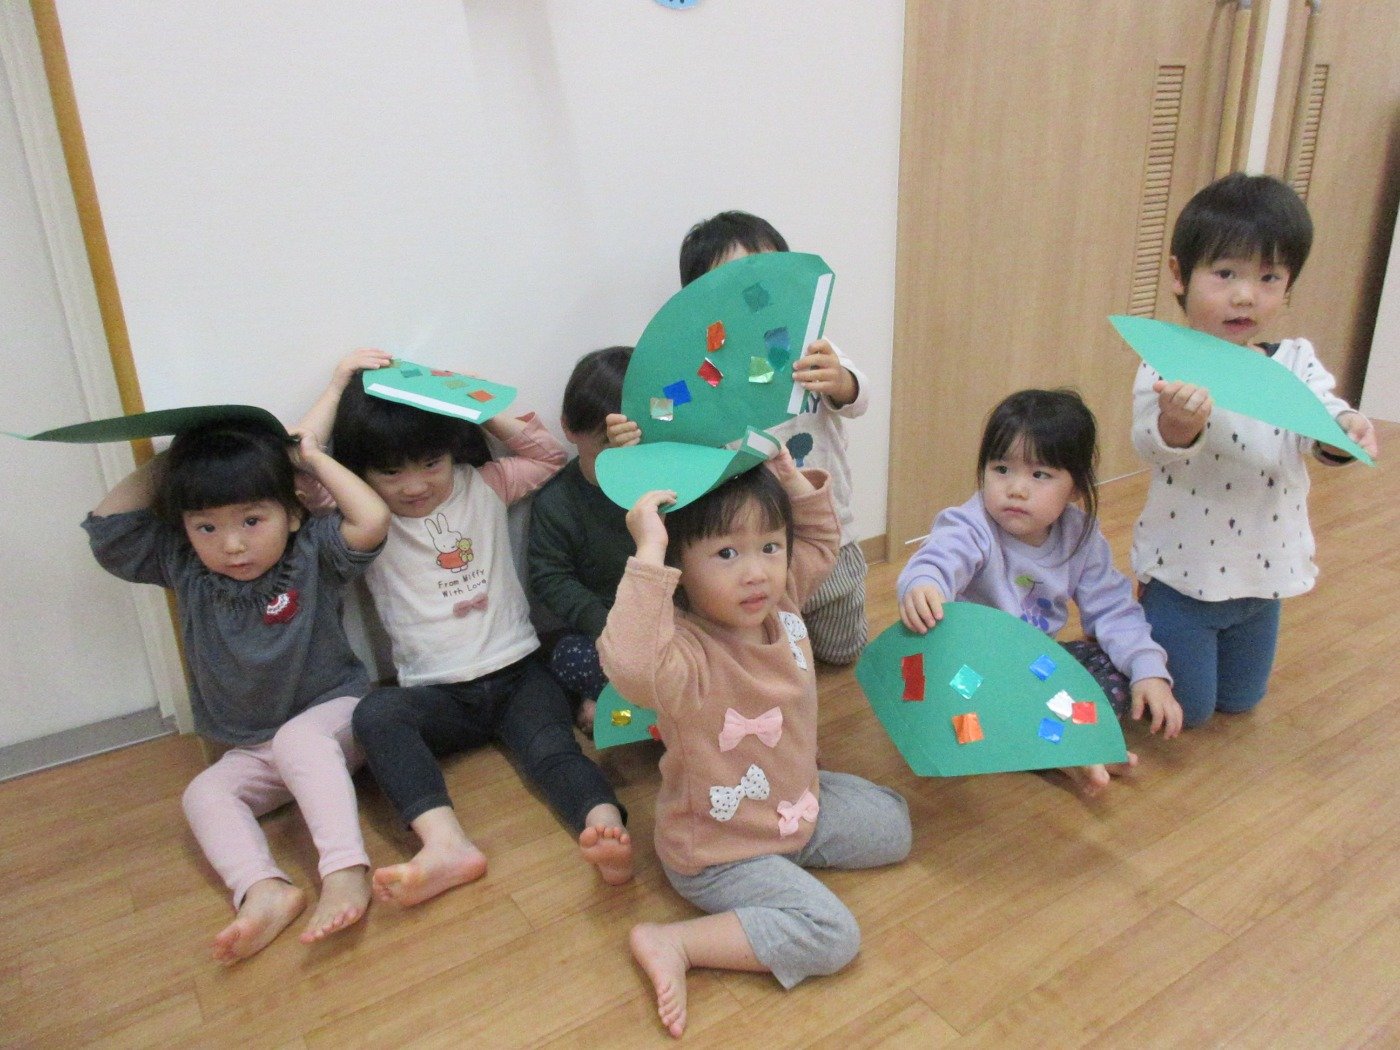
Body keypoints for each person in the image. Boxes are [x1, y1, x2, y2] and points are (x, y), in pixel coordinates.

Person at [300, 349, 632, 909]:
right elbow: (302, 466)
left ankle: (605, 825)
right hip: (435, 694)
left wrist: (468, 399)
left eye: (430, 464)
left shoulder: (484, 484)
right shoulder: (363, 513)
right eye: (391, 472)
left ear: (452, 450)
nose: (414, 486)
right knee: (375, 716)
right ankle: (445, 844)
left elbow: (549, 455)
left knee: (555, 753)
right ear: (364, 473)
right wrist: (336, 388)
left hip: (519, 674)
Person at [600, 449, 911, 1038]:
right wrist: (648, 552)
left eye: (769, 547)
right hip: (719, 851)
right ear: (680, 569)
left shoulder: (783, 601)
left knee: (895, 827)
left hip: (791, 806)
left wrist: (792, 481)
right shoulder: (683, 655)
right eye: (726, 554)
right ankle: (674, 942)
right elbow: (631, 665)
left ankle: (785, 859)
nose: (756, 573)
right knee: (833, 937)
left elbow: (821, 542)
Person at [82, 416, 390, 963]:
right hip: (255, 746)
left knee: (299, 741)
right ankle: (263, 890)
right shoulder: (184, 566)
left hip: (337, 719)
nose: (231, 544)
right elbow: (108, 528)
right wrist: (179, 458)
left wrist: (306, 459)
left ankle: (345, 871)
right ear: (185, 529)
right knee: (204, 793)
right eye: (206, 528)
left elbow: (371, 520)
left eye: (252, 520)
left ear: (291, 514)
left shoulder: (311, 553)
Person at [1131, 172, 1379, 728]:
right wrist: (1178, 424)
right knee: (1190, 714)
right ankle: (1120, 649)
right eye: (1225, 274)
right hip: (1185, 576)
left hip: (1264, 573)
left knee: (1241, 701)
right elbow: (1151, 444)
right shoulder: (1168, 361)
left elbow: (1322, 419)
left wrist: (1344, 428)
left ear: (1288, 287)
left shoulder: (1294, 360)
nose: (1246, 295)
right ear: (1179, 274)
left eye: (1269, 277)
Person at [608, 210, 872, 664]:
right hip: (751, 544)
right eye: (733, 283)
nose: (754, 292)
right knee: (771, 638)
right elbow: (670, 436)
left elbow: (858, 400)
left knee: (842, 647)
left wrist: (842, 380)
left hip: (827, 528)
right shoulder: (698, 370)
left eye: (766, 274)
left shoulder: (811, 346)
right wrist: (634, 436)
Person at [898, 389, 1183, 795]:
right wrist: (924, 583)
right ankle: (1062, 748)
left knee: (1112, 668)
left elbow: (1113, 609)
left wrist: (1148, 669)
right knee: (946, 708)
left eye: (1040, 475)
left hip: (1033, 667)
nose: (1016, 489)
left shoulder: (1080, 535)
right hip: (972, 673)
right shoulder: (972, 524)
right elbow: (940, 556)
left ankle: (1055, 744)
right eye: (1001, 469)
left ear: (1076, 487)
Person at [526, 345, 635, 733]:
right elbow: (550, 577)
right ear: (570, 429)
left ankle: (638, 703)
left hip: (676, 622)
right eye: (607, 443)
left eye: (633, 441)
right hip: (606, 628)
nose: (621, 455)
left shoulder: (668, 481)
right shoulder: (558, 501)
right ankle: (624, 705)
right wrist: (603, 624)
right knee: (570, 656)